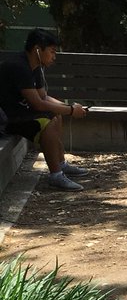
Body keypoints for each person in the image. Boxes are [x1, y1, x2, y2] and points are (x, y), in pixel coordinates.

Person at [0, 28, 89, 192]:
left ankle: (61, 164)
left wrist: (67, 108)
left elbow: (44, 97)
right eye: (52, 52)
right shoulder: (19, 67)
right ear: (37, 50)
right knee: (45, 123)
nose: (54, 57)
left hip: (21, 113)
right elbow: (38, 104)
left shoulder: (36, 67)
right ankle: (56, 175)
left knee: (56, 115)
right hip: (7, 119)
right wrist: (70, 110)